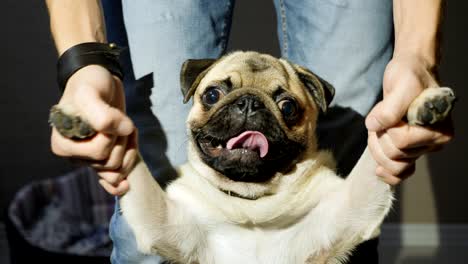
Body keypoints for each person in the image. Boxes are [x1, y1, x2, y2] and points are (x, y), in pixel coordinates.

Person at [45, 0, 453, 263]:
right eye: (217, 95)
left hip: (303, 205)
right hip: (199, 198)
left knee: (362, 140)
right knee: (149, 213)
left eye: (286, 106)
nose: (248, 111)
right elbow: (157, 228)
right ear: (195, 87)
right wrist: (84, 65)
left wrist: (417, 59)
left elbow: (351, 216)